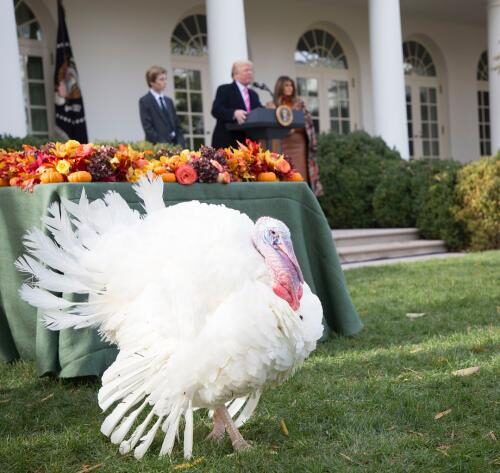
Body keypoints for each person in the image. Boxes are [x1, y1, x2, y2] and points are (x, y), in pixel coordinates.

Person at [266, 76, 323, 196]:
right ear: (280, 87)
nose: (289, 88)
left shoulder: (299, 104)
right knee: (282, 174)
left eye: (291, 85)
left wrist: (294, 129)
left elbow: (308, 123)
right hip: (279, 144)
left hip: (298, 144)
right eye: (286, 85)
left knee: (299, 174)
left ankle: (302, 201)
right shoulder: (271, 105)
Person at [211, 60, 263, 148]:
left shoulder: (253, 94)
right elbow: (216, 110)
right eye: (246, 70)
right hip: (228, 142)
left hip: (248, 144)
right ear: (235, 74)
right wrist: (234, 113)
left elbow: (259, 112)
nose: (250, 73)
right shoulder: (224, 89)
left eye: (251, 70)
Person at [139, 66, 186, 147]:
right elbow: (148, 128)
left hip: (175, 147)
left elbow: (177, 125)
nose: (165, 82)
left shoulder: (169, 101)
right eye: (161, 79)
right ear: (151, 82)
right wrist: (163, 145)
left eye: (165, 79)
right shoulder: (145, 101)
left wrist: (180, 144)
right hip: (157, 148)